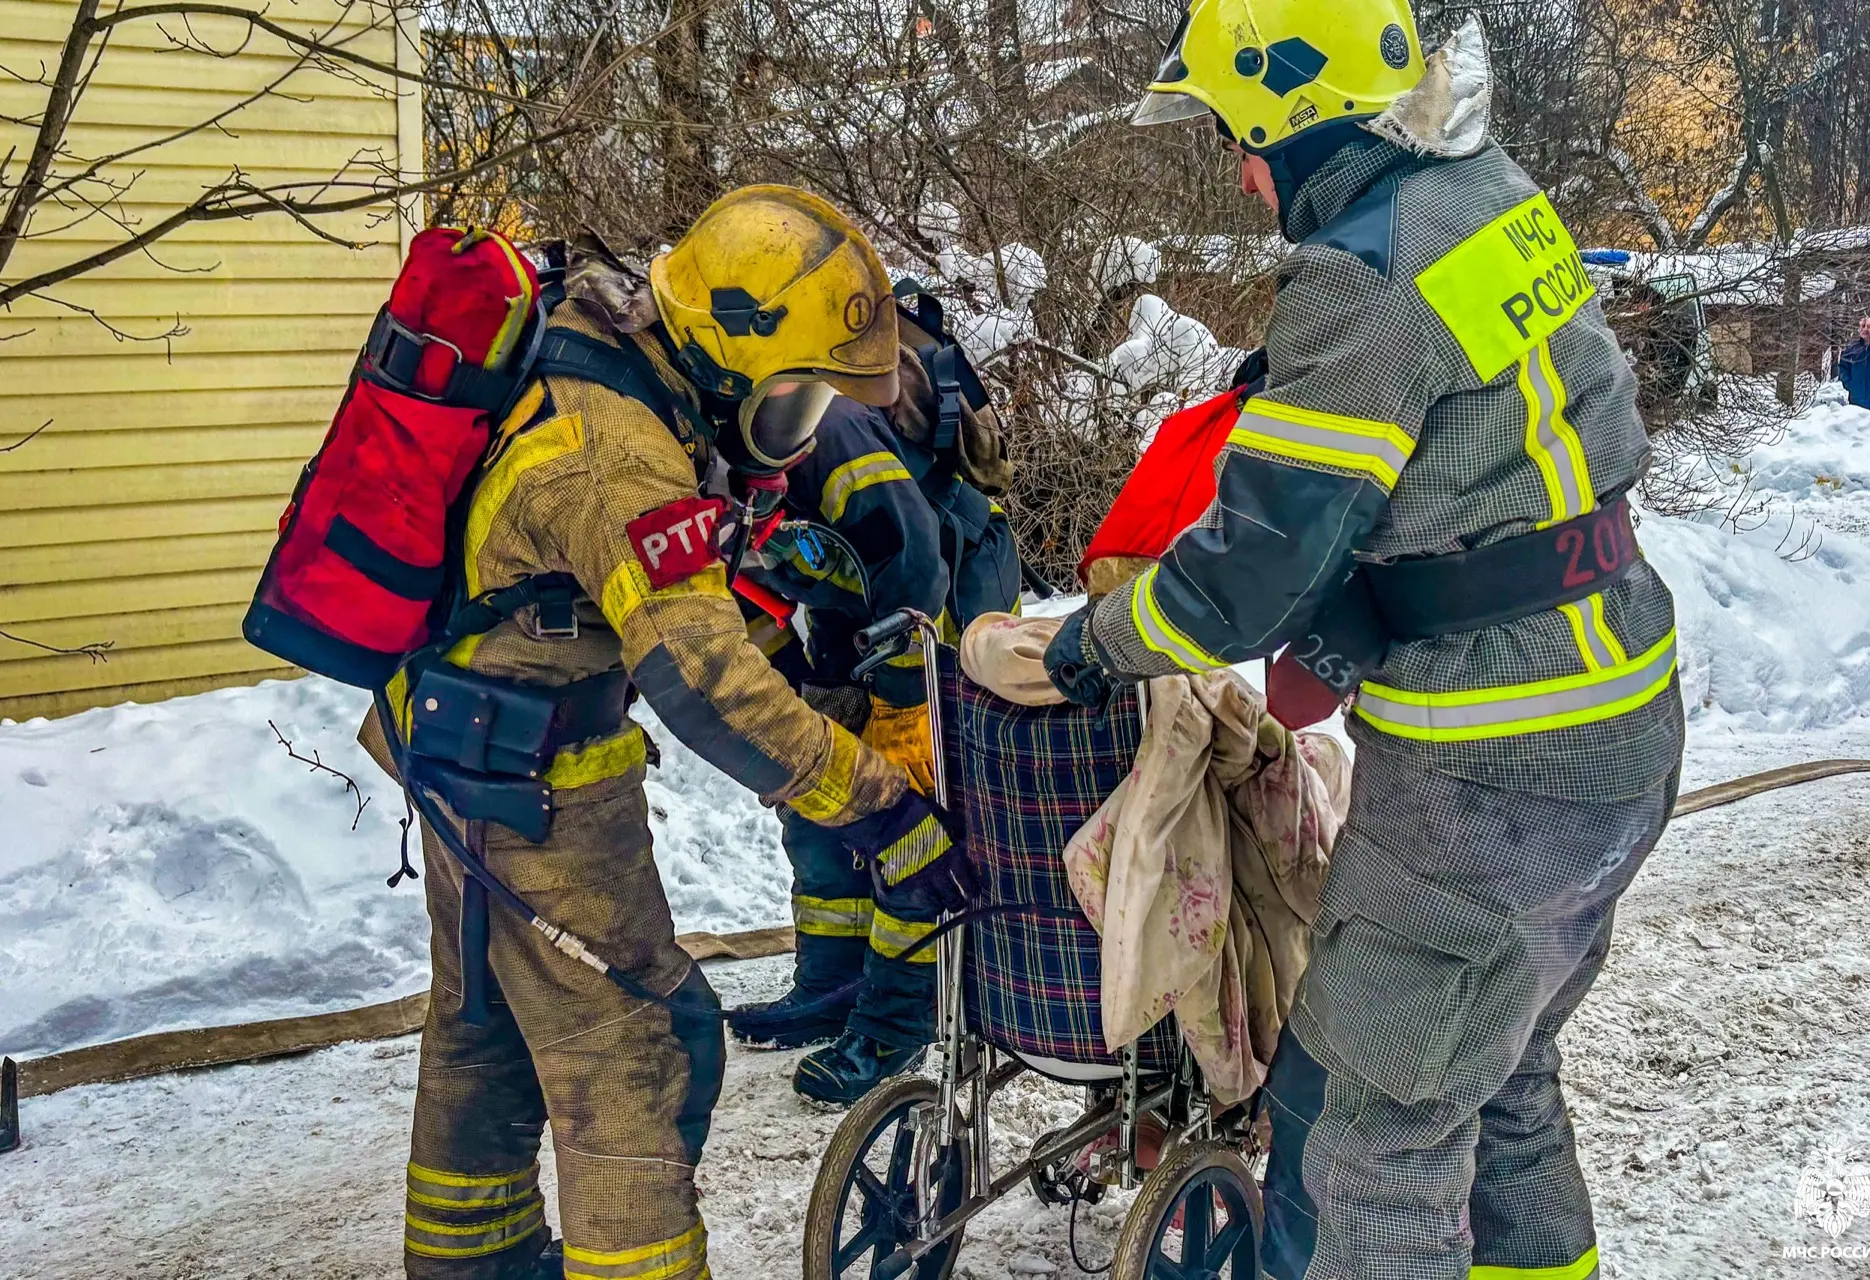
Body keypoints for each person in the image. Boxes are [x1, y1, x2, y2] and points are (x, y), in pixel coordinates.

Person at [1046, 5, 1685, 1279]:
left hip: (1490, 774)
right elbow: (1471, 414)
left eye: (1240, 134)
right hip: (1619, 720)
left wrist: (1097, 643)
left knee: (1358, 1131)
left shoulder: (1360, 274)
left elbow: (1247, 573)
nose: (1239, 169)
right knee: (1498, 1081)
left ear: (1299, 115)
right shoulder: (1489, 194)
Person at [366, 186, 974, 1280]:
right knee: (640, 1047)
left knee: (487, 1035)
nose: (787, 433)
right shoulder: (619, 453)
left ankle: (476, 1263)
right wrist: (879, 803)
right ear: (726, 345)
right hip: (536, 779)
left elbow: (647, 598)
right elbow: (699, 675)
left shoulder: (599, 343)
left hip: (462, 745)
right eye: (788, 401)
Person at [727, 329, 1023, 1105]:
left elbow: (914, 556)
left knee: (906, 806)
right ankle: (833, 984)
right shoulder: (697, 467)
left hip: (947, 597)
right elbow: (740, 601)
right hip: (846, 602)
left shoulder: (829, 432)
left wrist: (896, 702)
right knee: (819, 794)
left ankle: (900, 1018)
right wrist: (799, 693)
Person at [1837, 315, 1870, 411]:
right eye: (1863, 326)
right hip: (1856, 399)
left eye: (1869, 326)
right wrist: (1850, 385)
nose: (1865, 329)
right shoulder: (1851, 349)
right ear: (1859, 329)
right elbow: (1843, 368)